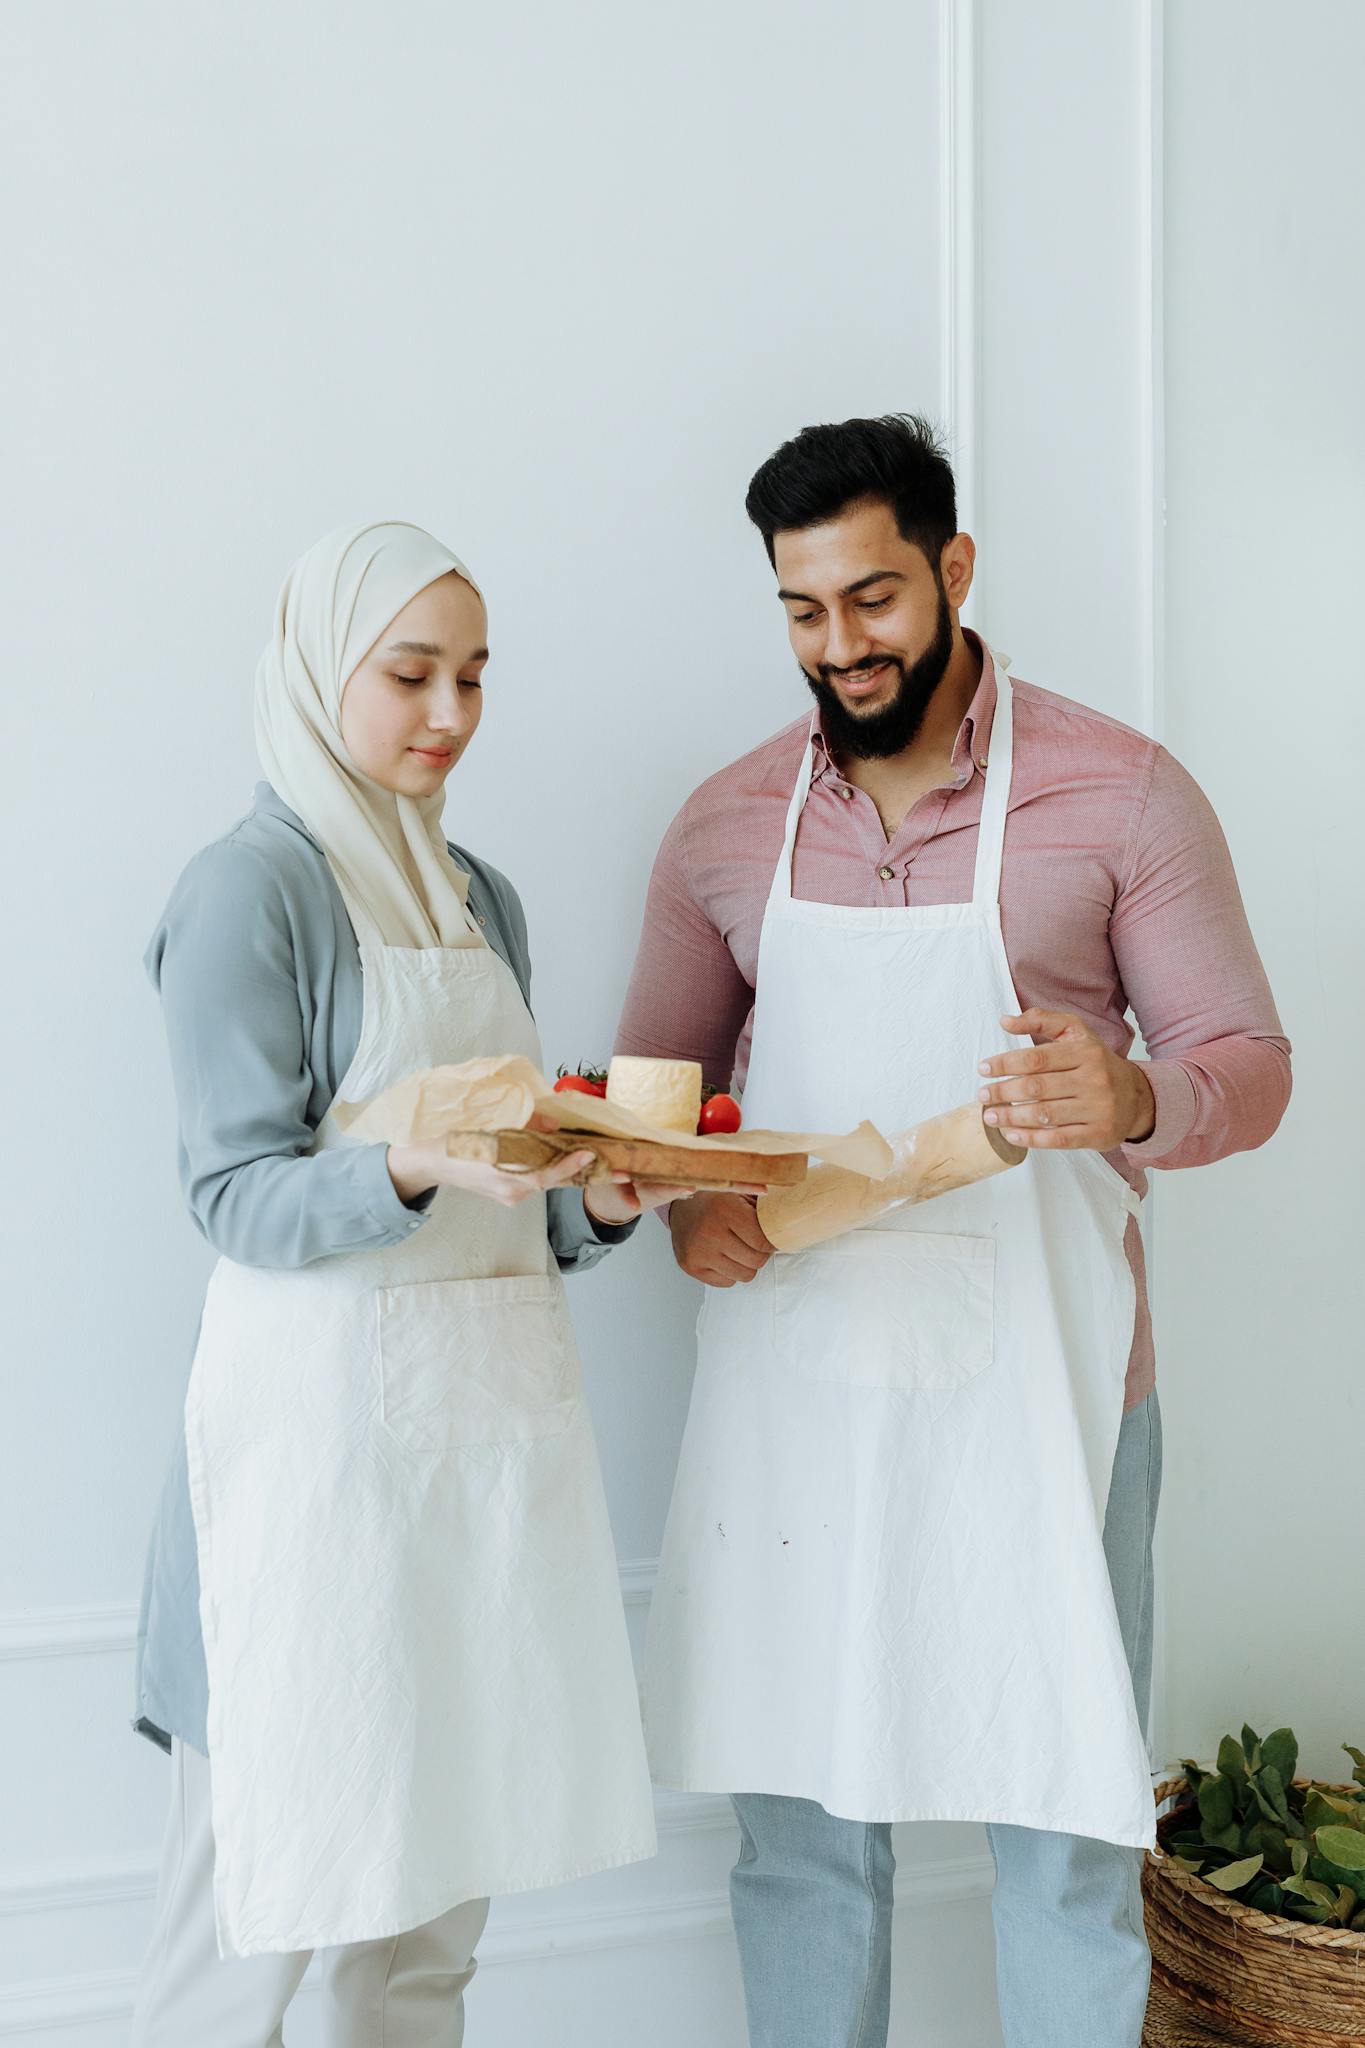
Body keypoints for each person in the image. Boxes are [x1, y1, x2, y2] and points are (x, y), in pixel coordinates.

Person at [616, 417, 1291, 2048]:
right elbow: (659, 1106)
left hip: (1053, 1395)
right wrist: (683, 1208)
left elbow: (1245, 1069)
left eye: (872, 599)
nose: (840, 647)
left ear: (954, 567)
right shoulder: (722, 828)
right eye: (801, 611)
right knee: (798, 1843)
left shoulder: (1118, 791)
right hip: (800, 1391)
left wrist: (1127, 1101)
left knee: (1061, 1820)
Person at [130, 521, 679, 2046]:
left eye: (474, 679)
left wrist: (602, 1200)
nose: (450, 716)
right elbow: (232, 1193)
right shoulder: (250, 892)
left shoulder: (477, 896)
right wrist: (415, 1163)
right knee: (246, 1947)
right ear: (321, 674)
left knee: (424, 1953)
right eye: (411, 675)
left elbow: (508, 1208)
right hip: (305, 1495)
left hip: (475, 1479)